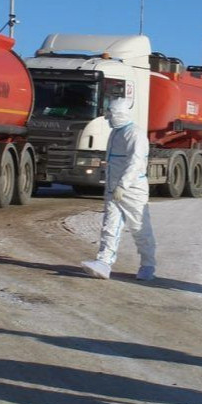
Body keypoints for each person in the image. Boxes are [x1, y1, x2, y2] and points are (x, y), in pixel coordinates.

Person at [81, 93, 156, 281]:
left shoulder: (135, 134)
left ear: (120, 114)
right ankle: (104, 262)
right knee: (110, 225)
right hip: (113, 188)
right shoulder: (116, 133)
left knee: (140, 227)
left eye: (111, 114)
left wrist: (123, 185)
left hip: (132, 190)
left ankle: (148, 265)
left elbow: (136, 162)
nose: (108, 118)